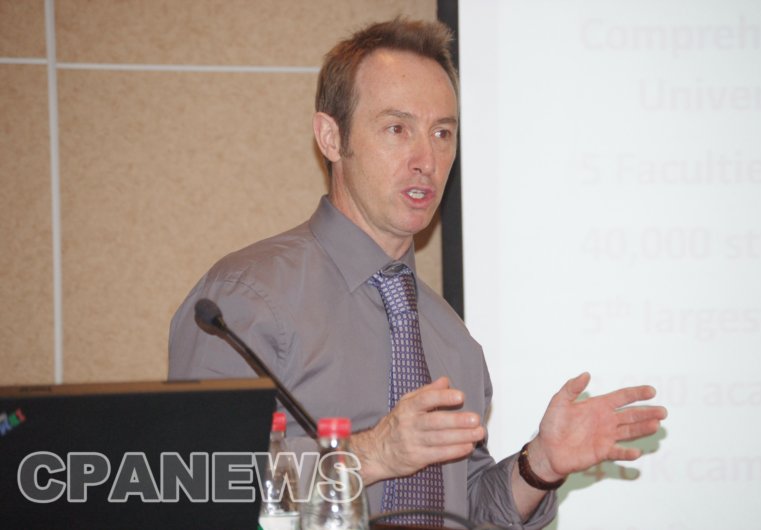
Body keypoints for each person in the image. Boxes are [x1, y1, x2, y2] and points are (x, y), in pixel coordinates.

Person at [169, 18, 667, 529]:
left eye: (442, 133)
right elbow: (196, 480)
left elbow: (464, 510)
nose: (426, 159)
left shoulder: (452, 339)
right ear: (331, 137)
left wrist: (539, 466)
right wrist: (372, 454)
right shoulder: (245, 300)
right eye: (397, 128)